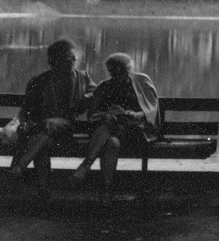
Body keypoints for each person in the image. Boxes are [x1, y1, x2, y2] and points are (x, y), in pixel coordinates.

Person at [9, 39, 96, 198]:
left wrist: (88, 96)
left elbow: (97, 92)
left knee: (47, 125)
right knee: (42, 143)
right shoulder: (39, 81)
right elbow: (26, 109)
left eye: (73, 59)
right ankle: (43, 191)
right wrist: (25, 122)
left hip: (66, 128)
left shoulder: (82, 76)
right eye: (66, 59)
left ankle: (20, 166)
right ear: (53, 61)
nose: (71, 62)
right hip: (43, 132)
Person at [71, 53, 160, 204]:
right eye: (114, 73)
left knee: (109, 128)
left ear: (128, 70)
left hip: (136, 131)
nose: (118, 76)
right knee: (112, 143)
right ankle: (106, 190)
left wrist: (136, 114)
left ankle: (86, 166)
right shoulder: (105, 86)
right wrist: (106, 115)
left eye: (122, 73)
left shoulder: (141, 81)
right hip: (113, 132)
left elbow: (152, 108)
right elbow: (93, 113)